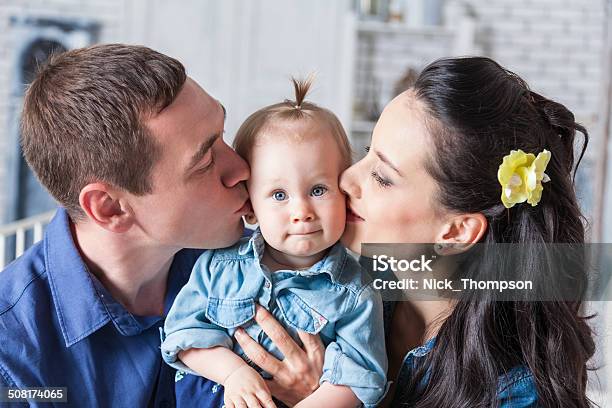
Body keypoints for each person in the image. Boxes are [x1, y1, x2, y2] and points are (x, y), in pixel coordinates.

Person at [236, 57, 596, 407]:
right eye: (367, 153)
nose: (346, 179)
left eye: (382, 177)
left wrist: (319, 396)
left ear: (456, 231)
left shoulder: (513, 393)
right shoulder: (335, 282)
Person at [0, 44, 323, 407]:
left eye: (222, 133)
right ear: (109, 208)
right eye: (204, 163)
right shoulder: (10, 359)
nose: (241, 169)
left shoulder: (269, 259)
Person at [160, 79, 387, 408]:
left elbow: (358, 380)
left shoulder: (355, 293)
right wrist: (233, 373)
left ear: (344, 192)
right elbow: (183, 336)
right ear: (251, 206)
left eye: (319, 189)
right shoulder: (218, 266)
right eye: (279, 195)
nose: (302, 212)